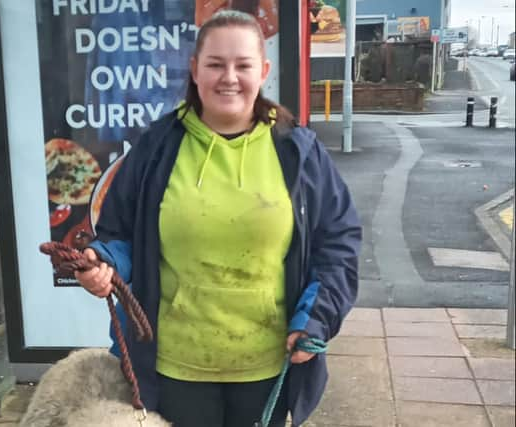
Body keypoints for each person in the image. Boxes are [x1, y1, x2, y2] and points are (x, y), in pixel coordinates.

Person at [75, 10, 361, 427]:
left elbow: (337, 244)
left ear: (262, 71)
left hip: (267, 364)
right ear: (195, 70)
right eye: (215, 64)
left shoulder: (298, 153)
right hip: (174, 366)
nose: (229, 77)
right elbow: (118, 233)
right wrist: (102, 264)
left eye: (243, 65)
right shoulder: (157, 148)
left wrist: (316, 317)